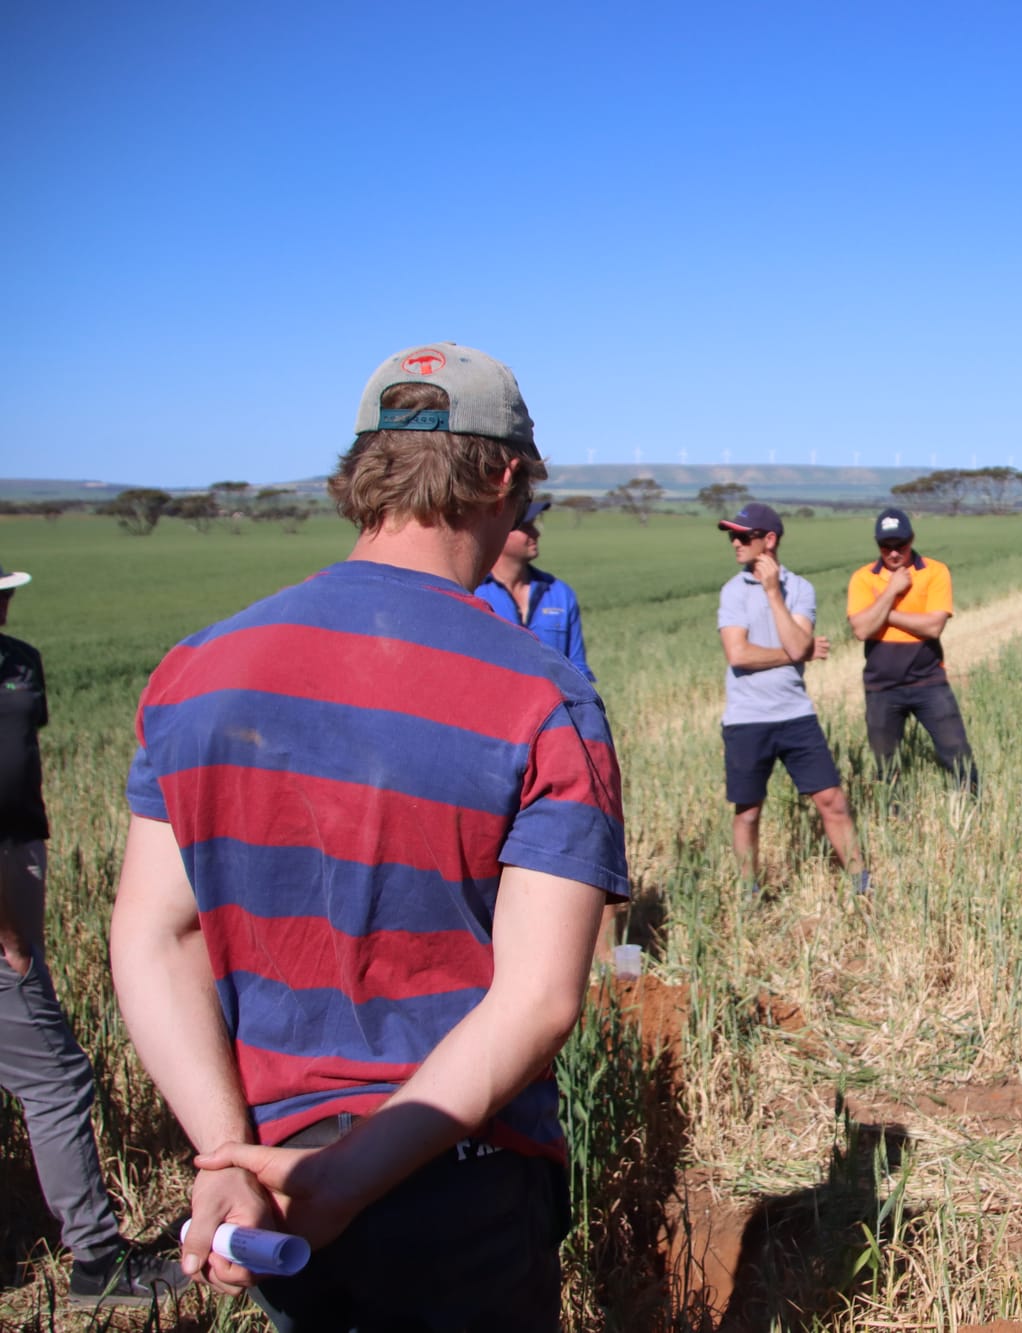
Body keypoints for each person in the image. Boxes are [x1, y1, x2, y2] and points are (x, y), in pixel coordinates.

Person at [110, 342, 630, 1330]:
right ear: (506, 477)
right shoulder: (541, 694)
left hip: (266, 1175)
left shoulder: (196, 672)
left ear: (368, 468)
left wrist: (222, 1153)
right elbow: (536, 1000)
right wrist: (348, 1178)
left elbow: (153, 933)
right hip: (453, 1183)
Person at [0, 565, 187, 1308]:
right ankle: (96, 1262)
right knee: (57, 1079)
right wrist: (10, 936)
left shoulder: (20, 663)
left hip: (19, 860)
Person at [717, 502, 869, 898]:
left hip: (795, 714)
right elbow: (739, 654)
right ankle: (748, 893)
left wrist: (772, 594)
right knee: (748, 812)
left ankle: (861, 885)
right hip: (746, 718)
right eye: (731, 535)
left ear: (769, 540)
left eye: (742, 536)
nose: (734, 542)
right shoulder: (732, 592)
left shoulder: (800, 588)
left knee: (832, 800)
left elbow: (799, 640)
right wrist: (796, 654)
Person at [846, 507, 979, 795]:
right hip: (881, 685)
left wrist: (882, 612)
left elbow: (933, 627)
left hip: (929, 681)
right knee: (886, 765)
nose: (894, 554)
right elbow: (861, 631)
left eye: (901, 546)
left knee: (957, 753)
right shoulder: (863, 578)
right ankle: (896, 820)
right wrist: (892, 591)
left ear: (912, 539)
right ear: (877, 544)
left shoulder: (935, 571)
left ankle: (973, 812)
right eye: (886, 547)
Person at [475, 496, 593, 680]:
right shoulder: (472, 593)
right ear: (500, 530)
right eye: (526, 526)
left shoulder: (560, 593)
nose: (536, 533)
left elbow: (577, 670)